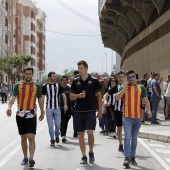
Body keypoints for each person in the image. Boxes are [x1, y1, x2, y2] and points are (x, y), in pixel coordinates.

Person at [6, 66, 45, 168]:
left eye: (30, 74)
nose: (28, 75)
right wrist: (9, 107)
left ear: (32, 74)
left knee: (31, 137)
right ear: (23, 74)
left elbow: (40, 100)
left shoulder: (37, 86)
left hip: (32, 115)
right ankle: (25, 157)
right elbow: (12, 98)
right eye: (26, 74)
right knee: (23, 138)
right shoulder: (18, 86)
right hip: (20, 115)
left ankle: (31, 157)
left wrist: (42, 111)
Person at [115, 69, 151, 168]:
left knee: (134, 139)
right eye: (129, 77)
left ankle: (132, 157)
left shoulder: (141, 87)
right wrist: (125, 87)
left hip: (137, 117)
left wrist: (149, 110)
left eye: (133, 77)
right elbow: (117, 97)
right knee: (127, 138)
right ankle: (126, 158)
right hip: (127, 117)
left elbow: (146, 100)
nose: (131, 79)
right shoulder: (123, 87)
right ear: (127, 78)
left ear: (135, 77)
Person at [70, 60, 102, 164]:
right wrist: (79, 96)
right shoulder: (75, 81)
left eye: (81, 68)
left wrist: (100, 111)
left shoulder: (94, 81)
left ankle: (91, 151)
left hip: (90, 110)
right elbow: (71, 96)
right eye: (78, 68)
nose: (79, 70)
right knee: (80, 134)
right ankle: (84, 156)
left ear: (86, 68)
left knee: (90, 132)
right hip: (79, 111)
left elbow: (99, 96)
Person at [42, 72, 68, 146]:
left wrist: (65, 105)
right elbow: (43, 98)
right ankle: (52, 140)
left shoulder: (58, 86)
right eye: (53, 76)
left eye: (55, 76)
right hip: (49, 108)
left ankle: (57, 135)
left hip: (57, 108)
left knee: (57, 125)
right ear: (49, 77)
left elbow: (64, 95)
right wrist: (42, 109)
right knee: (50, 126)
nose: (55, 77)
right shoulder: (45, 86)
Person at [104, 70, 126, 152]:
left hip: (127, 111)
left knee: (127, 129)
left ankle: (127, 144)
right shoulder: (116, 87)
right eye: (119, 77)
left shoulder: (129, 86)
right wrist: (105, 101)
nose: (121, 78)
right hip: (118, 110)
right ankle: (120, 144)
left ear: (125, 77)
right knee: (119, 128)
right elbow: (106, 95)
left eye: (122, 77)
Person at [60, 75, 72, 143]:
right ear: (61, 81)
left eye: (65, 80)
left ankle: (64, 134)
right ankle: (63, 136)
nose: (64, 81)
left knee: (66, 122)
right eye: (63, 80)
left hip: (68, 108)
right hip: (60, 108)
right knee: (62, 122)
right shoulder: (59, 88)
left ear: (67, 81)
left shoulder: (70, 88)